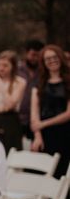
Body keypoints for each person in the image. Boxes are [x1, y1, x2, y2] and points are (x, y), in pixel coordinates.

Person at [31, 44, 70, 178]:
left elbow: (68, 114)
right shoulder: (38, 85)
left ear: (60, 58)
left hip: (65, 134)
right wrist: (37, 136)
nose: (52, 60)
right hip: (43, 136)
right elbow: (34, 114)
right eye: (47, 59)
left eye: (54, 57)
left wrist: (44, 124)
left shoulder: (68, 82)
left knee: (61, 174)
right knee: (41, 174)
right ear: (43, 63)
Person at [17, 39, 43, 140]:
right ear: (27, 53)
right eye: (33, 54)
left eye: (38, 55)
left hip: (36, 118)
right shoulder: (17, 70)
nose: (35, 58)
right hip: (18, 117)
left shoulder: (43, 72)